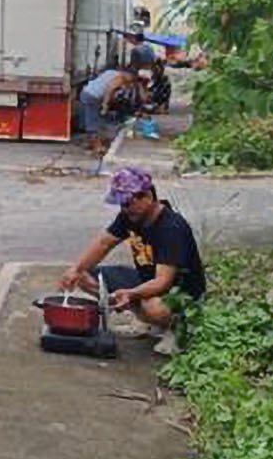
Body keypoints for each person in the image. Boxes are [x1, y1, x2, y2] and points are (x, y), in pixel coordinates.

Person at [58, 166, 207, 356]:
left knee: (153, 308)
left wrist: (130, 294)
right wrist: (75, 269)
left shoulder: (171, 227)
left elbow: (163, 281)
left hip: (181, 291)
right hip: (146, 280)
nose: (124, 209)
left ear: (148, 197)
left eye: (128, 203)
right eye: (122, 204)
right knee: (84, 276)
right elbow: (104, 243)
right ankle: (145, 320)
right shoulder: (130, 216)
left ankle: (177, 327)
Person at [77, 66, 143, 151]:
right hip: (92, 96)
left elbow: (104, 84)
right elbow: (109, 90)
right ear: (127, 74)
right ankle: (96, 145)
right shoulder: (120, 78)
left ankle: (91, 142)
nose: (131, 80)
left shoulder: (111, 72)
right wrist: (105, 105)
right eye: (132, 77)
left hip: (86, 91)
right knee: (93, 120)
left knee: (91, 118)